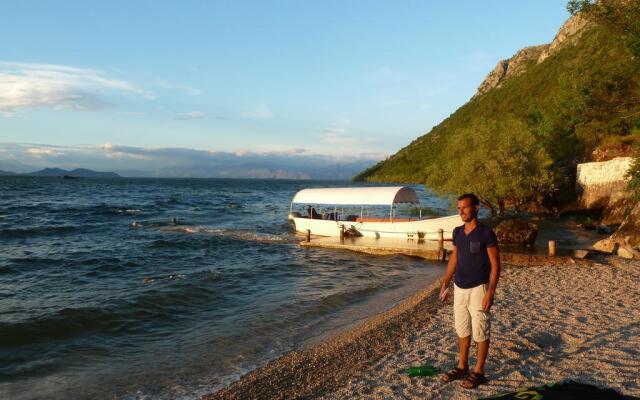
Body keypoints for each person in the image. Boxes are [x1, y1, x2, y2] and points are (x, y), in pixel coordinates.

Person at [439, 193, 500, 389]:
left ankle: (479, 371)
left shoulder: (486, 233)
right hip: (459, 287)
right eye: (459, 208)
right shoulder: (457, 232)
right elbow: (454, 258)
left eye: (465, 208)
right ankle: (462, 366)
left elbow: (496, 266)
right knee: (462, 329)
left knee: (480, 330)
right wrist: (445, 281)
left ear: (476, 208)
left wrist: (490, 292)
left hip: (479, 288)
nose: (461, 212)